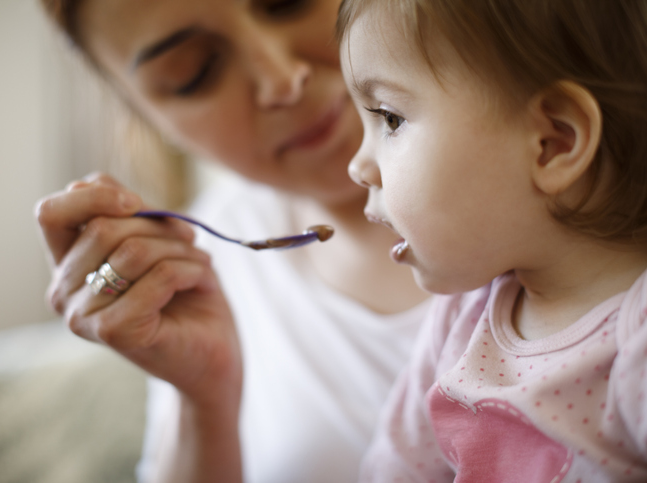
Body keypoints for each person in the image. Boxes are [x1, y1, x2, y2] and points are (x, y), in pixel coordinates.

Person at [35, 1, 431, 482]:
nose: (281, 80)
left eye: (289, 1)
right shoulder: (196, 269)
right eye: (194, 73)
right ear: (151, 121)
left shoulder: (541, 142)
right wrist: (203, 401)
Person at [338, 0, 647, 480]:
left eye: (390, 118)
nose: (357, 167)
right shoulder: (463, 316)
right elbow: (397, 469)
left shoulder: (643, 335)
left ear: (553, 144)